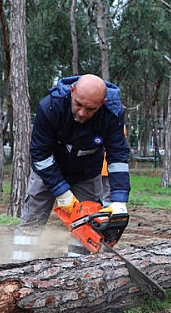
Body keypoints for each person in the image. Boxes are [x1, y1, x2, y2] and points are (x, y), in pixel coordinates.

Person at [12, 74, 130, 261]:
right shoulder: (50, 106)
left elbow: (118, 157)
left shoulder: (112, 114)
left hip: (86, 173)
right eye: (78, 105)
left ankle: (76, 270)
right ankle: (17, 266)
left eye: (90, 108)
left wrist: (119, 199)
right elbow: (40, 154)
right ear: (72, 91)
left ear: (103, 102)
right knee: (32, 220)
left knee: (87, 224)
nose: (82, 113)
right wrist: (61, 191)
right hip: (47, 168)